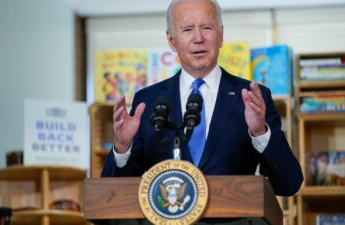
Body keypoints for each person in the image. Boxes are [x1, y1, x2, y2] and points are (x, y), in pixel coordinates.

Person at [101, 0, 303, 197]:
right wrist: (121, 147)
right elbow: (114, 195)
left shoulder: (251, 98)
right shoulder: (148, 101)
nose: (198, 38)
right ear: (172, 40)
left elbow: (288, 184)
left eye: (206, 28)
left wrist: (260, 133)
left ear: (221, 36)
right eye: (187, 29)